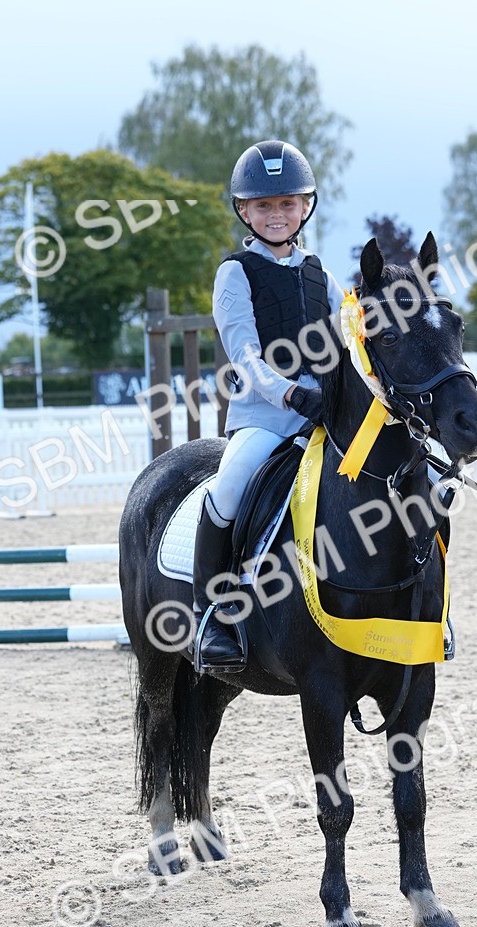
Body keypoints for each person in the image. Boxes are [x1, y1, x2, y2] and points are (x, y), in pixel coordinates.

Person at [192, 140, 344, 672]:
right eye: (263, 205)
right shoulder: (235, 272)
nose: (276, 214)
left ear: (305, 206)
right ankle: (212, 613)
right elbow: (246, 356)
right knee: (229, 485)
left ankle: (424, 606)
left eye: (286, 203)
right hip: (265, 415)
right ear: (244, 210)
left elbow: (350, 338)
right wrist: (291, 393)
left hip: (325, 413)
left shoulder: (321, 274)